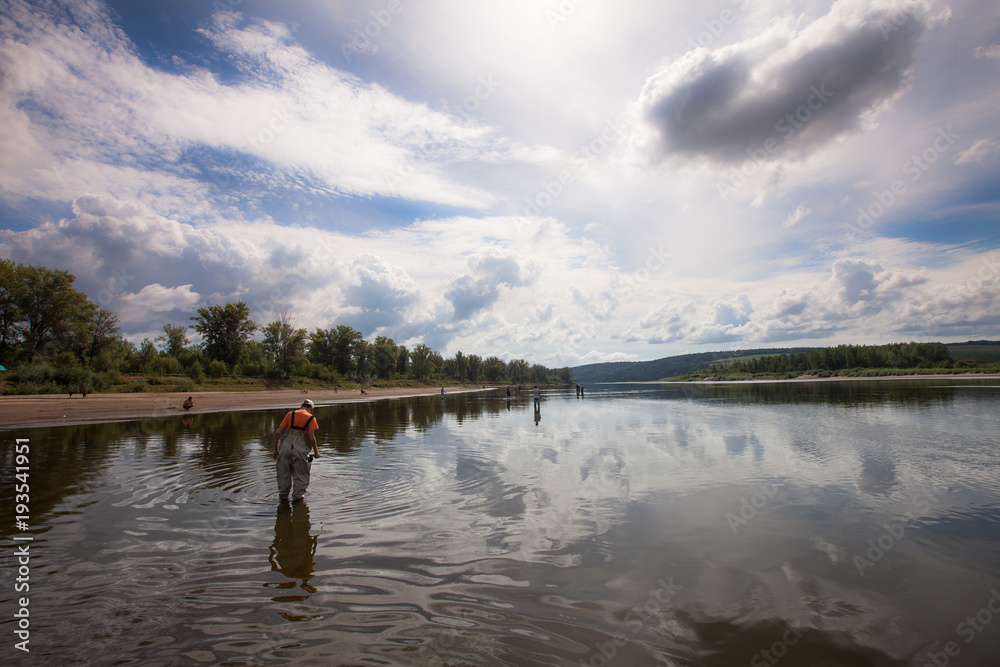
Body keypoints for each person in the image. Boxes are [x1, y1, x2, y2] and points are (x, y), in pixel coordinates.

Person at [272, 399, 321, 502]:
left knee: (283, 474)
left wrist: (275, 449)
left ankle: (283, 496)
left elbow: (277, 433)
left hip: (285, 449)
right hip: (300, 451)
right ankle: (298, 497)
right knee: (301, 474)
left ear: (302, 406)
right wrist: (316, 452)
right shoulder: (311, 418)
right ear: (310, 409)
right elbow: (311, 438)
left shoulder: (290, 414)